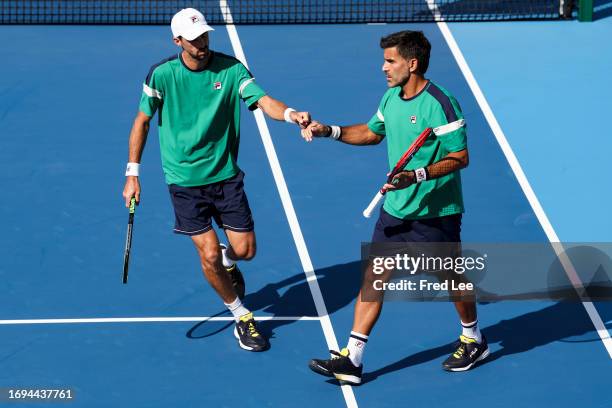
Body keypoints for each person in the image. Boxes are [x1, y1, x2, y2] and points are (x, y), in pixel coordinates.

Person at [303, 30, 488, 384]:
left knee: (450, 279)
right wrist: (331, 130)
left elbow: (460, 157)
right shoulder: (391, 97)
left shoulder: (440, 103)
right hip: (396, 209)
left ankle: (474, 338)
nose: (383, 67)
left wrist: (417, 174)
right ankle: (352, 359)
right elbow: (372, 133)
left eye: (390, 61)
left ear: (412, 63)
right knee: (374, 278)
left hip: (435, 212)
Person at [122, 8, 310, 352]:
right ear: (178, 41)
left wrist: (289, 114)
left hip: (224, 177)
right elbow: (142, 121)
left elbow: (264, 100)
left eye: (205, 36)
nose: (202, 44)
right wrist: (132, 174)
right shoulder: (161, 75)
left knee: (244, 251)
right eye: (194, 40)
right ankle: (242, 317)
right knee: (207, 254)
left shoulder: (231, 69)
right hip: (183, 180)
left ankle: (228, 261)